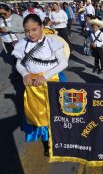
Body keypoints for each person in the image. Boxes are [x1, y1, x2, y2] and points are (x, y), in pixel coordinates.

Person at [12, 14, 69, 156]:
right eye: (27, 30)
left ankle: (60, 141)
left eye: (34, 29)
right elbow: (19, 63)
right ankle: (47, 144)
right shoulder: (22, 44)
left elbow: (63, 63)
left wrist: (45, 76)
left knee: (56, 114)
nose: (30, 34)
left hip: (53, 83)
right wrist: (25, 74)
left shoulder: (52, 42)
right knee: (39, 116)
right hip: (34, 86)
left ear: (42, 27)